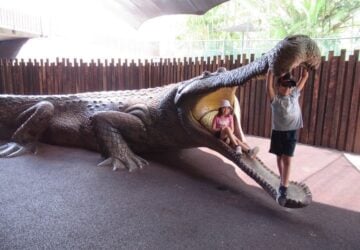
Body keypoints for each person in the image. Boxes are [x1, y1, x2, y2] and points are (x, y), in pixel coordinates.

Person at [266, 66, 309, 206]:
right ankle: (283, 177)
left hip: (291, 132)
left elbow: (302, 81)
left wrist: (304, 74)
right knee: (279, 157)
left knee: (287, 159)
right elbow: (268, 85)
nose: (287, 88)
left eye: (290, 86)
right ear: (278, 85)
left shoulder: (294, 95)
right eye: (284, 85)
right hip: (278, 132)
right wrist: (271, 72)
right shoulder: (275, 100)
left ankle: (283, 187)